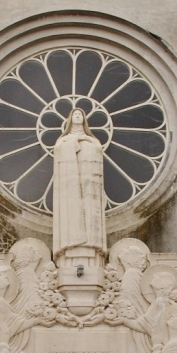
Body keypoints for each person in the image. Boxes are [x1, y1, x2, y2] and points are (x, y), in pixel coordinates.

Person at [52, 107, 107, 259]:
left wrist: (86, 141)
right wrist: (74, 142)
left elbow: (97, 151)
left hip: (89, 183)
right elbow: (58, 150)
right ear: (70, 119)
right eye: (75, 114)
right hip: (69, 183)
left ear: (84, 119)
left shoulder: (93, 140)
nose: (77, 116)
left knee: (90, 209)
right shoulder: (63, 140)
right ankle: (73, 241)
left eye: (80, 114)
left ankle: (90, 240)